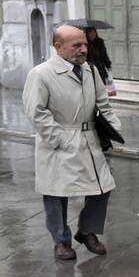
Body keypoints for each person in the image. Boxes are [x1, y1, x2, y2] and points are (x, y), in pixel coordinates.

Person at [22, 25, 121, 260]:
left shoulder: (90, 70)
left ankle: (87, 231)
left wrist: (114, 128)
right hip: (58, 140)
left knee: (102, 187)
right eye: (77, 45)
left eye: (84, 44)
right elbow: (36, 111)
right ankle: (61, 241)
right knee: (56, 194)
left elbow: (103, 103)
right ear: (58, 47)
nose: (83, 49)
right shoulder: (41, 74)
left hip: (89, 138)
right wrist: (59, 138)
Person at [84, 27, 116, 97]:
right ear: (87, 34)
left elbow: (104, 55)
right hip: (90, 69)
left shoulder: (100, 42)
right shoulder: (84, 43)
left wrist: (108, 65)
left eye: (94, 32)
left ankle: (102, 99)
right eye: (90, 33)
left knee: (102, 87)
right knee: (92, 88)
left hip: (100, 68)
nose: (92, 35)